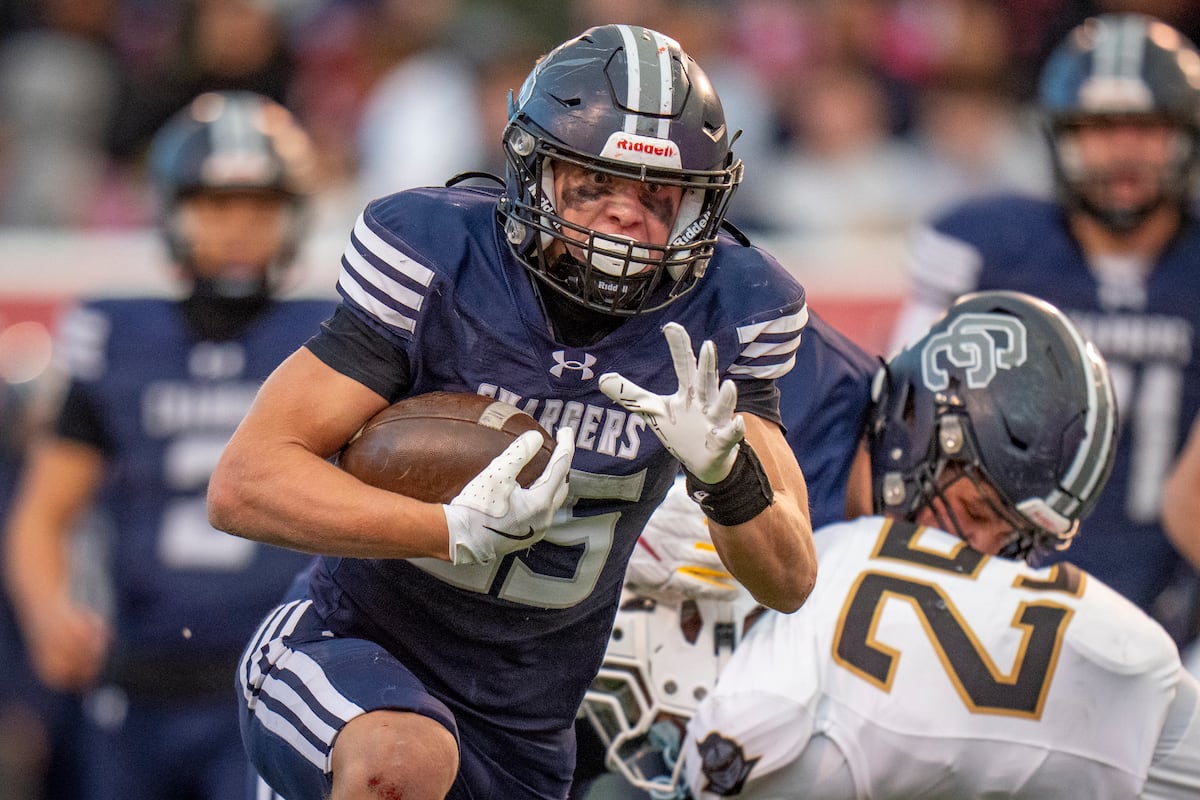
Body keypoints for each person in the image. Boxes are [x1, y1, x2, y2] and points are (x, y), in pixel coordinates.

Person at [206, 24, 819, 800]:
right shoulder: (444, 261)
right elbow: (245, 483)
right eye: (594, 184)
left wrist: (728, 478)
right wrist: (447, 530)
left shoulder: (727, 312)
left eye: (656, 196)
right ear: (535, 172)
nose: (625, 215)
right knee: (402, 761)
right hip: (350, 649)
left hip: (525, 727)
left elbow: (790, 579)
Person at [589, 290, 1200, 798]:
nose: (982, 550)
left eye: (1016, 539)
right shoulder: (779, 377)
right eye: (977, 511)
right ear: (919, 425)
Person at [3, 90, 334, 800]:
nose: (238, 228)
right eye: (215, 206)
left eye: (259, 207)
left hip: (283, 675)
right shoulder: (116, 334)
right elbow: (43, 513)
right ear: (172, 212)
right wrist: (50, 612)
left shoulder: (330, 337)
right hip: (139, 676)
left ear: (294, 216)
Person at [887, 12, 1200, 643]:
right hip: (997, 592)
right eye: (1099, 129)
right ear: (1057, 136)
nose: (1124, 152)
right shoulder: (988, 248)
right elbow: (901, 420)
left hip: (1178, 607)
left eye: (1147, 128)